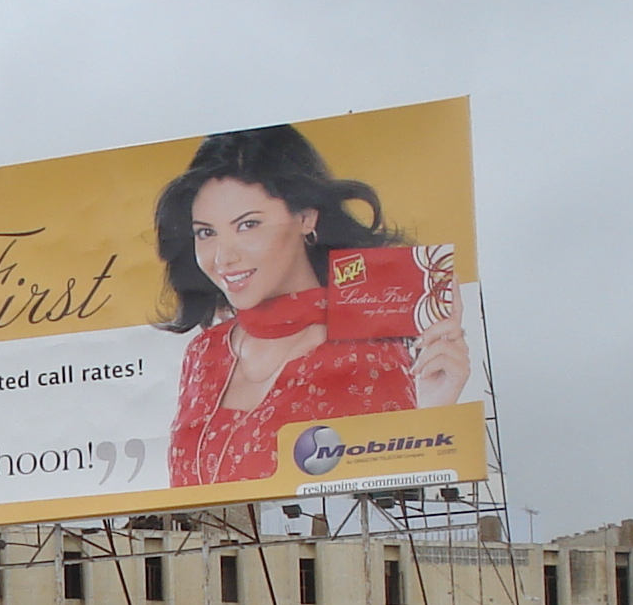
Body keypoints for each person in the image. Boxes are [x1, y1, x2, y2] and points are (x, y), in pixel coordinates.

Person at [156, 126, 474, 487]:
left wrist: (429, 413)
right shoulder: (204, 353)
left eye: (248, 225)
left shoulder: (367, 350)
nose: (224, 257)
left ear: (306, 217)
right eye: (206, 233)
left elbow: (382, 502)